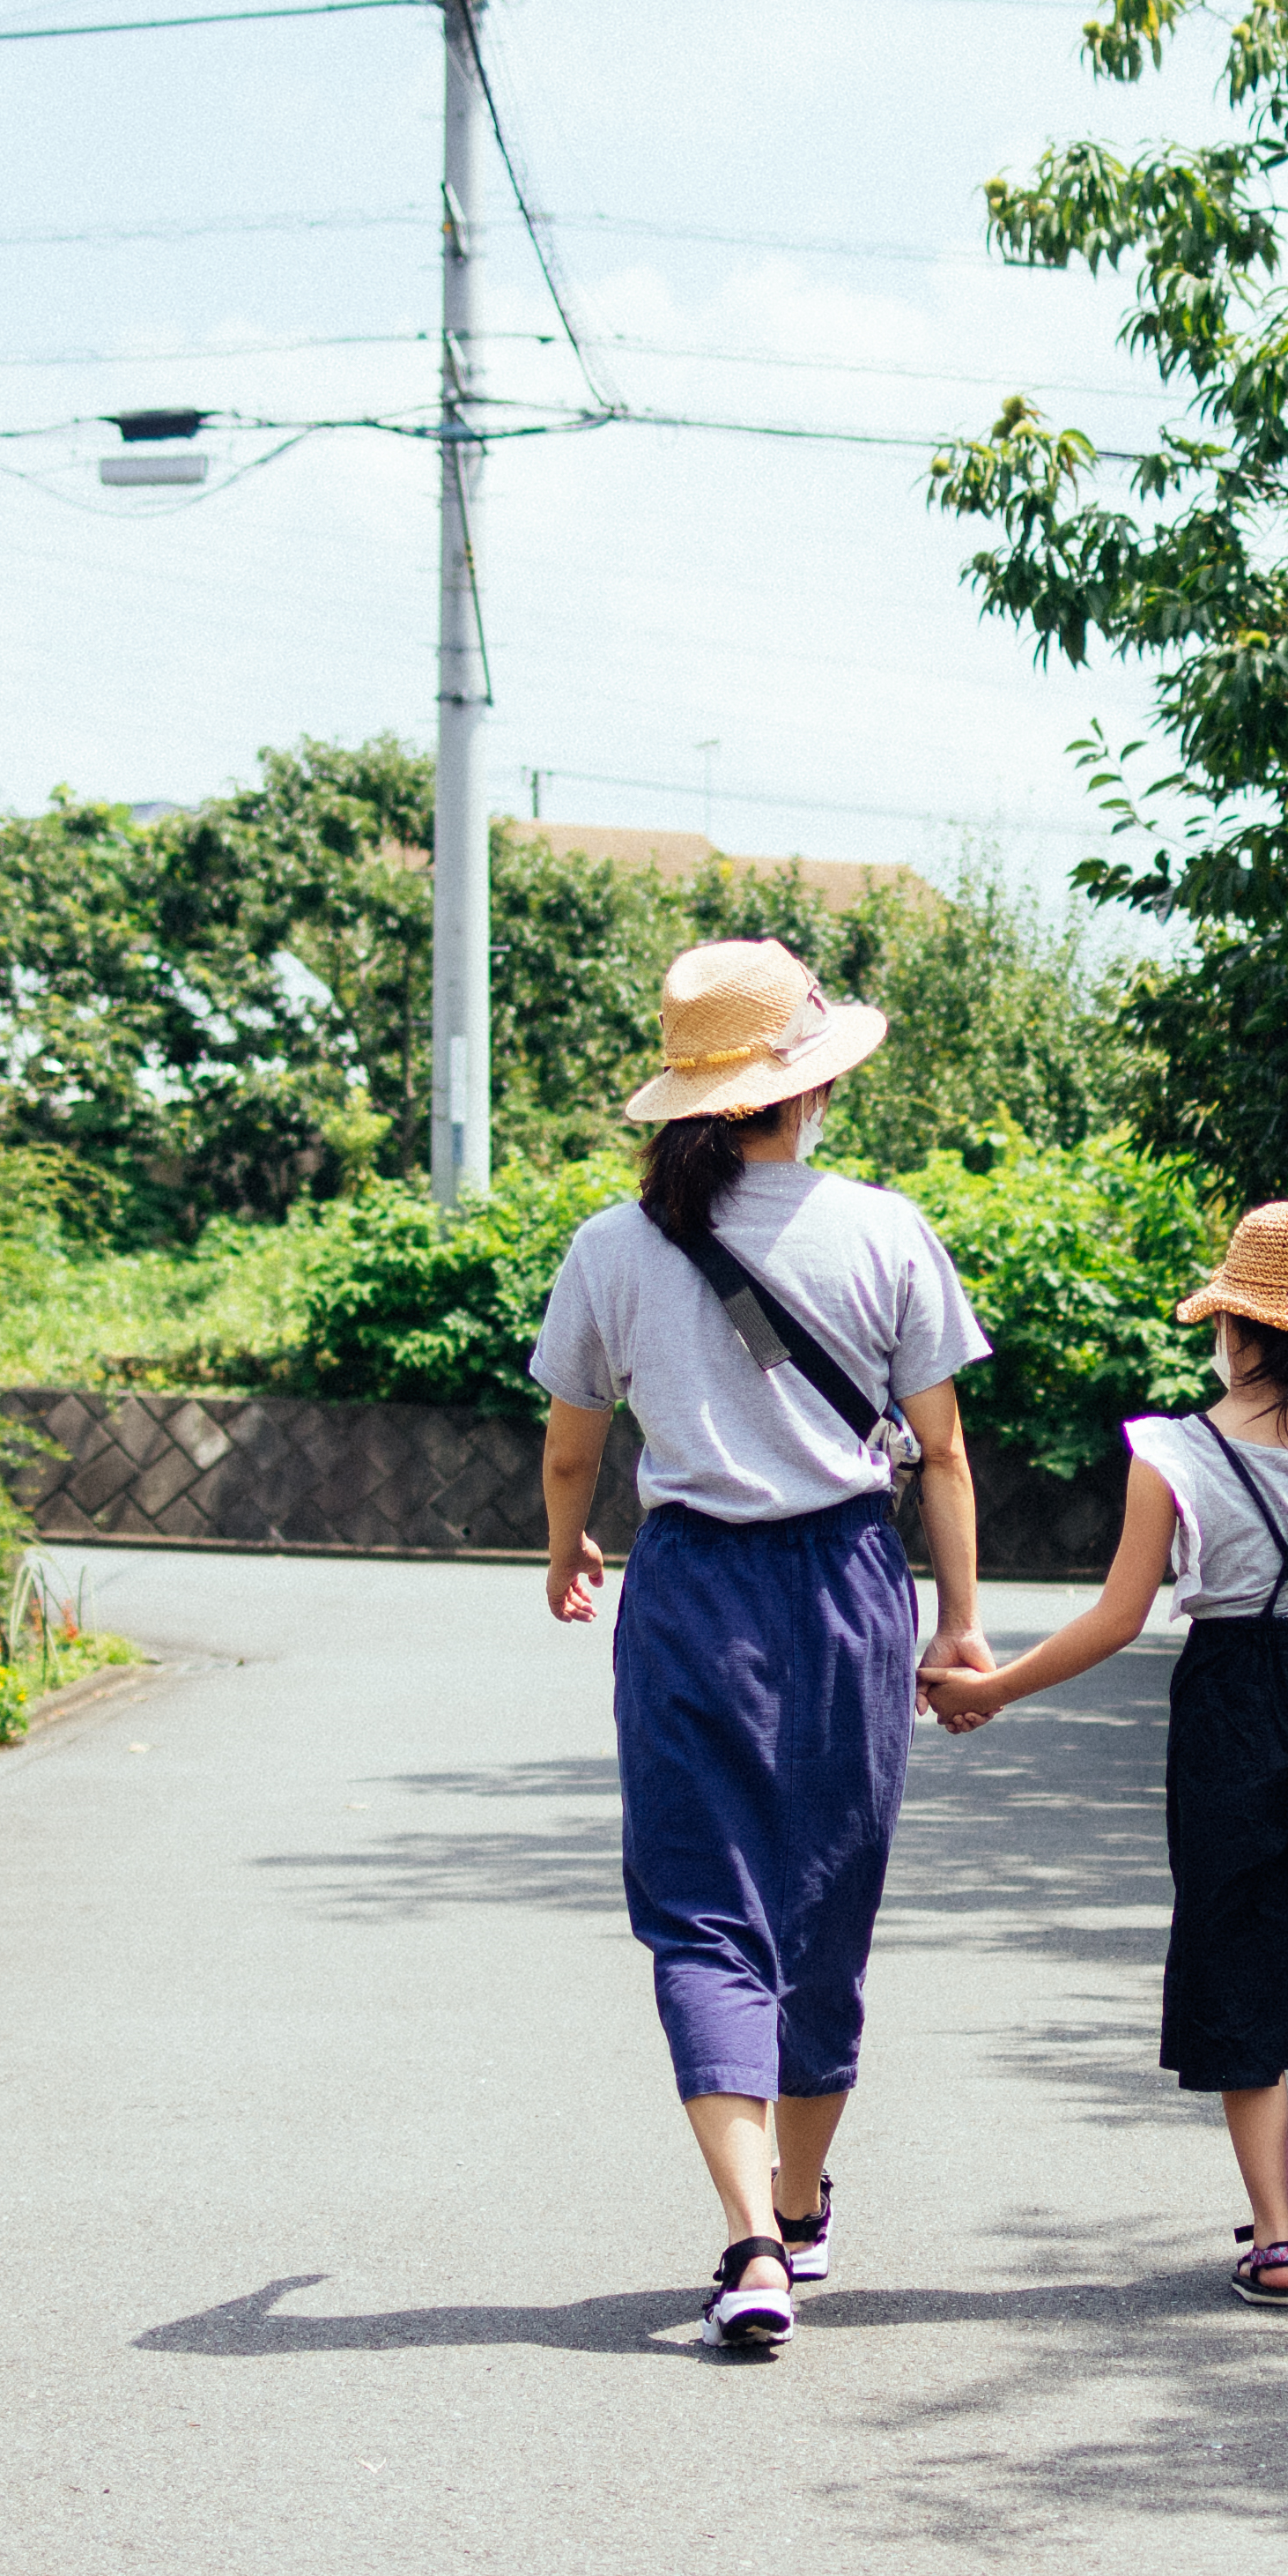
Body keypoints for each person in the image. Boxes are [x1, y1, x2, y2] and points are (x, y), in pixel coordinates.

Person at [532, 939, 993, 2353]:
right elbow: (945, 1455)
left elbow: (570, 1451)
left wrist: (566, 1554)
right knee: (823, 1904)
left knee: (699, 1910)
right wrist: (959, 1626)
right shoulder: (883, 1228)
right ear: (808, 1090)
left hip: (689, 1597)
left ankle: (748, 2240)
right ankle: (796, 2211)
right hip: (850, 1588)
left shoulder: (613, 1246)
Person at [922, 1199, 1288, 2307]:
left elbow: (1120, 1616)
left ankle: (1276, 2238)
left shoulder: (1174, 1451)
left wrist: (991, 1686)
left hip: (1230, 1706)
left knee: (1239, 1948)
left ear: (1236, 1326)